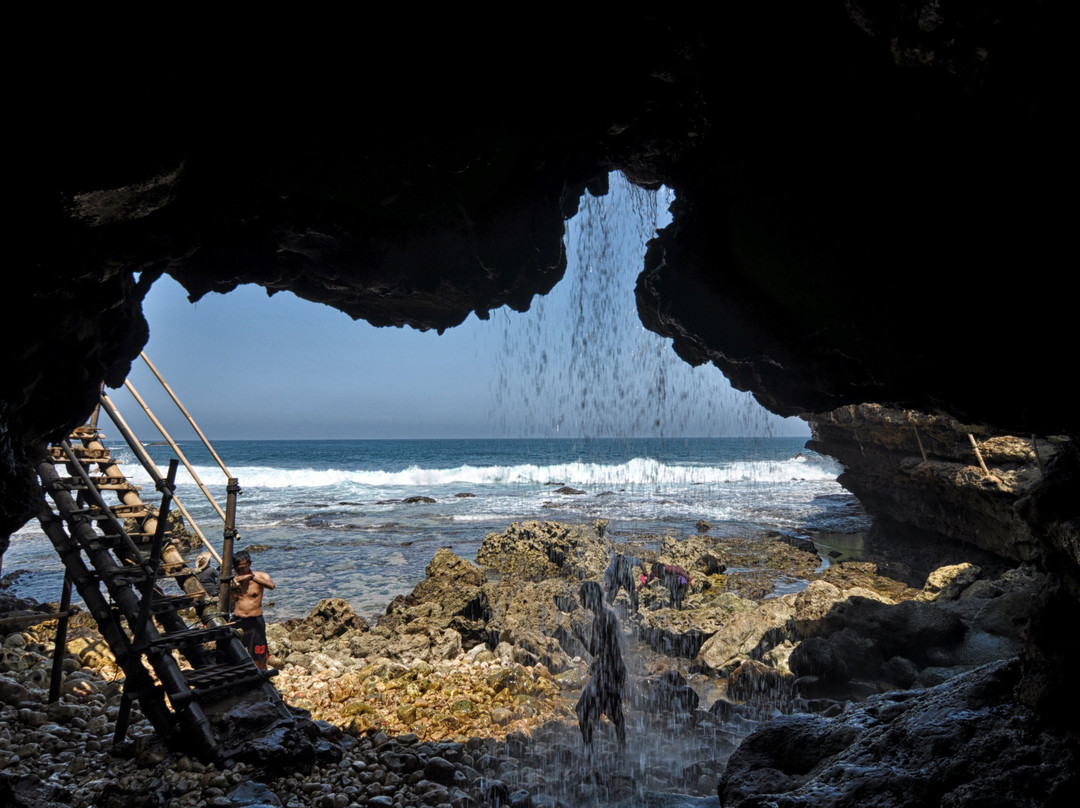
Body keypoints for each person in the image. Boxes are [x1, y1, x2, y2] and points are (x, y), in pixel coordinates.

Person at [573, 581, 627, 748]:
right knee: (615, 714)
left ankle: (589, 754)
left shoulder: (600, 618)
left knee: (582, 710)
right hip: (615, 671)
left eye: (582, 597)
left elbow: (594, 650)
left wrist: (580, 635)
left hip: (608, 674)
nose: (581, 600)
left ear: (589, 598)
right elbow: (613, 647)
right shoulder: (607, 615)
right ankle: (622, 753)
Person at [230, 550, 275, 669]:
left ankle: (262, 678)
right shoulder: (233, 580)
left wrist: (251, 577)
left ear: (249, 563)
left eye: (242, 568)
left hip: (255, 622)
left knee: (259, 655)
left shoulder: (260, 576)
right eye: (237, 569)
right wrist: (233, 585)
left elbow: (271, 586)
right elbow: (227, 599)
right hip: (238, 620)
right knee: (234, 652)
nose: (240, 572)